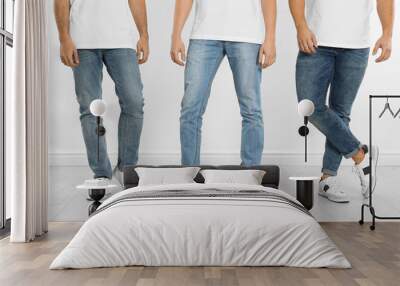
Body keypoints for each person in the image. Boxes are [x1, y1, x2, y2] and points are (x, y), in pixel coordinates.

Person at [289, 0, 394, 202]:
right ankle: (361, 156)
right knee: (309, 106)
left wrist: (387, 33)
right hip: (316, 41)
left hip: (357, 46)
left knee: (340, 112)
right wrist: (301, 26)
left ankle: (327, 179)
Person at [171, 0, 277, 166]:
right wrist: (176, 35)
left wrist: (270, 38)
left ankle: (250, 173)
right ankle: (189, 173)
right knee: (190, 109)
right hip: (203, 34)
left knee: (251, 110)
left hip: (247, 36)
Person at [54, 0, 149, 181]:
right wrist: (64, 38)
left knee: (134, 102)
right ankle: (101, 174)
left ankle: (126, 169)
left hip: (122, 40)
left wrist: (144, 35)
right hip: (82, 40)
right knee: (90, 109)